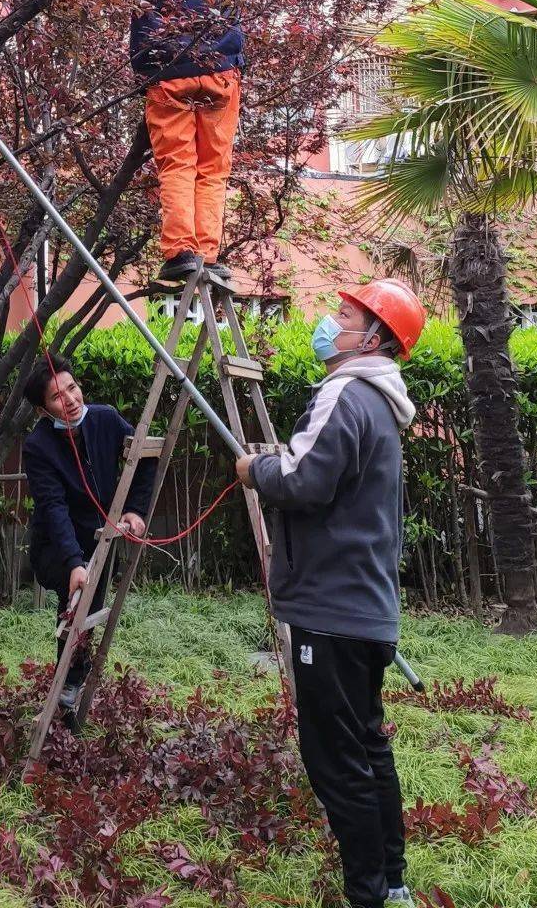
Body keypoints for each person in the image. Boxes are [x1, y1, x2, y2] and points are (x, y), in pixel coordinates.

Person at [235, 279, 427, 908]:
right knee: (368, 744)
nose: (331, 321)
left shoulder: (346, 392)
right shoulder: (380, 403)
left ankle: (367, 895)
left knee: (336, 762)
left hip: (332, 613)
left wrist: (255, 469)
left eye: (345, 315)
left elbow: (304, 481)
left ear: (373, 337)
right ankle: (392, 882)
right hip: (363, 611)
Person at [123, 0, 248, 289]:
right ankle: (207, 255)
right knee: (213, 169)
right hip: (221, 73)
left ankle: (181, 253)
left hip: (170, 71)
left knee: (178, 163)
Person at [22, 354, 157, 707]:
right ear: (42, 410)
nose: (70, 400)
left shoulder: (106, 419)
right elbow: (53, 508)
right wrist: (72, 563)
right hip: (55, 545)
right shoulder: (38, 447)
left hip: (98, 539)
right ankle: (66, 691)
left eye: (72, 388)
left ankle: (72, 683)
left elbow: (146, 456)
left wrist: (135, 509)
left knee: (89, 603)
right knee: (76, 602)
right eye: (56, 397)